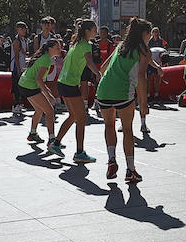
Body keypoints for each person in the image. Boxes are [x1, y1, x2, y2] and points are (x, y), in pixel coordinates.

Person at [97, 18, 152, 183]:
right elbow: (142, 77)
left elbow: (102, 68)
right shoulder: (144, 51)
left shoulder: (121, 45)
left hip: (104, 89)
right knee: (127, 130)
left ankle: (112, 160)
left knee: (109, 126)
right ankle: (130, 170)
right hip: (122, 92)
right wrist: (143, 103)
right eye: (149, 34)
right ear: (144, 34)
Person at [50, 20, 100, 164]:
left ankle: (56, 143)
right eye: (94, 29)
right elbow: (89, 61)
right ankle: (79, 152)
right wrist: (97, 73)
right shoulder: (85, 45)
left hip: (63, 83)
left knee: (73, 116)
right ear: (88, 31)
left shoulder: (75, 43)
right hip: (69, 85)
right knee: (82, 118)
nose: (96, 31)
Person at [19, 37, 60, 144]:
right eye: (57, 48)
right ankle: (52, 140)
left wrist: (47, 91)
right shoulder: (46, 59)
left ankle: (33, 133)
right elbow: (39, 79)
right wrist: (49, 95)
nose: (60, 50)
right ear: (50, 49)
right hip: (29, 86)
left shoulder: (45, 57)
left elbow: (39, 80)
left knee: (39, 110)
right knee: (50, 111)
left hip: (24, 84)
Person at [10, 22, 31, 117]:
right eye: (22, 29)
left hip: (23, 65)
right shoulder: (16, 41)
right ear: (18, 30)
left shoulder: (24, 40)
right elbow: (16, 56)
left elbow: (25, 52)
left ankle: (20, 103)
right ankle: (16, 104)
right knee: (16, 85)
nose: (24, 31)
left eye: (25, 29)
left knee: (21, 86)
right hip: (16, 66)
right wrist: (18, 68)